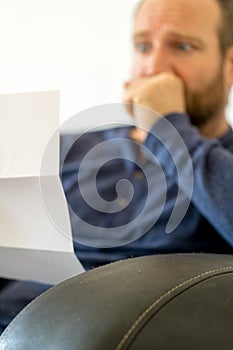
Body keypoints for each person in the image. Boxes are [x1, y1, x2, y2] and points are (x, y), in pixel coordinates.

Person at [1, 0, 233, 334]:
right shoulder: (67, 149)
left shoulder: (223, 166)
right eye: (142, 46)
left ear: (229, 64)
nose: (153, 67)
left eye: (183, 46)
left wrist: (165, 128)